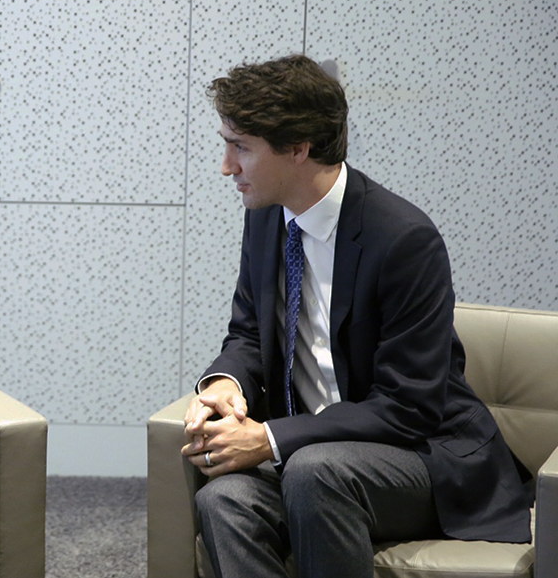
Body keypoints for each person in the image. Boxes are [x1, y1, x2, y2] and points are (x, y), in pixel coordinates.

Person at [181, 55, 533, 577]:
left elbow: (408, 405)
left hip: (420, 456)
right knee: (224, 500)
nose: (226, 166)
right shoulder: (266, 218)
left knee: (314, 471)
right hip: (315, 457)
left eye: (241, 148)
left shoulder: (403, 240)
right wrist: (227, 383)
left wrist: (272, 439)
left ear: (298, 149)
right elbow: (250, 333)